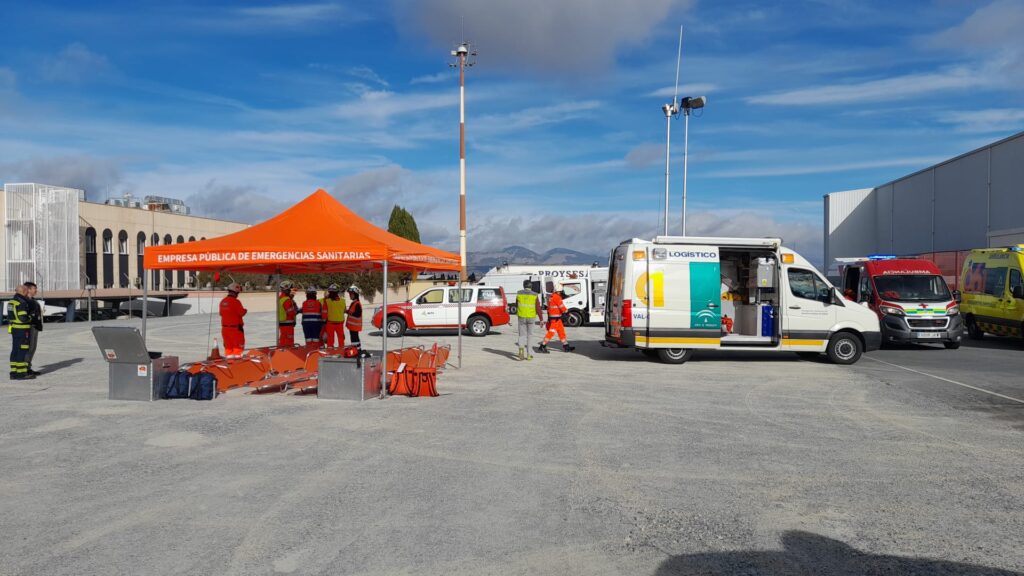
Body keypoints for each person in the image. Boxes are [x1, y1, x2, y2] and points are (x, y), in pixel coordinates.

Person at [537, 281, 576, 353]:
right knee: (551, 332)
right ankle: (542, 346)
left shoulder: (551, 296)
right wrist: (567, 312)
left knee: (561, 332)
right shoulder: (557, 297)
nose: (561, 293)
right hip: (555, 319)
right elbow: (562, 307)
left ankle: (566, 346)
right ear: (559, 291)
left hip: (555, 318)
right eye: (561, 291)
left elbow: (550, 308)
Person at [8, 285, 34, 380]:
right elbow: (23, 318)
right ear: (23, 291)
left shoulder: (12, 302)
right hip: (23, 330)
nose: (28, 293)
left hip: (15, 329)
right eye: (27, 291)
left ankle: (13, 372)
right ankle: (21, 373)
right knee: (22, 350)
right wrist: (31, 317)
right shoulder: (22, 302)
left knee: (15, 350)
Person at [515, 279, 544, 361]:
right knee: (530, 336)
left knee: (521, 335)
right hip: (531, 317)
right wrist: (541, 319)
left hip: (521, 317)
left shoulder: (519, 293)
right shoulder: (535, 295)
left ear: (524, 286)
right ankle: (529, 355)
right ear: (531, 286)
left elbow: (517, 304)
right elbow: (538, 308)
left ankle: (521, 350)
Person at [219, 282, 247, 357]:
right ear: (235, 292)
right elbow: (241, 313)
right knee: (238, 350)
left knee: (228, 350)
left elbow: (221, 313)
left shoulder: (223, 301)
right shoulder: (236, 302)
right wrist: (245, 310)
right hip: (235, 330)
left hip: (225, 329)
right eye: (238, 293)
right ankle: (237, 366)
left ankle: (229, 363)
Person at [23, 281, 43, 375]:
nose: (36, 290)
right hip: (28, 327)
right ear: (29, 289)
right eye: (35, 288)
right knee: (28, 347)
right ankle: (25, 368)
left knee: (33, 347)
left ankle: (28, 366)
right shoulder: (24, 301)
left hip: (35, 326)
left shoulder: (34, 301)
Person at [277, 280, 298, 347]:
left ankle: (281, 354)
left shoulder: (280, 298)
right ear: (287, 289)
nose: (291, 291)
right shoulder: (287, 300)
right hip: (288, 325)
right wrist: (297, 310)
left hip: (282, 324)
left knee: (282, 340)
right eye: (290, 289)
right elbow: (291, 313)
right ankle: (288, 354)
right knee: (289, 341)